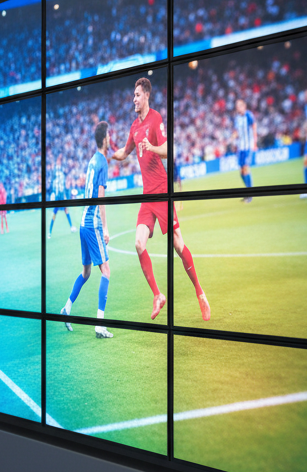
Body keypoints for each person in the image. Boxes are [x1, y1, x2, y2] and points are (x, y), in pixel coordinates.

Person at [111, 76, 210, 321]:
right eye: (133, 95)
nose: (133, 99)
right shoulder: (134, 127)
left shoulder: (156, 119)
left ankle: (200, 292)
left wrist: (151, 147)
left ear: (146, 95)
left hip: (162, 190)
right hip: (147, 195)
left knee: (178, 244)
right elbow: (125, 153)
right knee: (138, 243)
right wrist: (108, 154)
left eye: (136, 95)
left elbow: (167, 150)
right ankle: (157, 295)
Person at [60, 122, 113, 338]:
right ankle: (99, 325)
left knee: (87, 271)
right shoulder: (102, 162)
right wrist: (106, 227)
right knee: (106, 271)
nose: (110, 138)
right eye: (109, 135)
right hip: (92, 223)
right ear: (104, 139)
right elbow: (100, 196)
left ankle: (67, 309)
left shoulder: (92, 161)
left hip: (83, 221)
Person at [233, 97, 257, 202]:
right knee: (242, 172)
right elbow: (236, 132)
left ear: (244, 106)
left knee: (246, 168)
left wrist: (255, 143)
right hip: (241, 147)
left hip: (248, 146)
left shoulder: (249, 115)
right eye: (237, 106)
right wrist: (232, 138)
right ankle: (248, 192)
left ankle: (250, 195)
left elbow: (254, 128)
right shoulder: (237, 118)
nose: (238, 108)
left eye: (239, 106)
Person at [48, 161, 75, 237]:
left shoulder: (57, 177)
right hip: (58, 197)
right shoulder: (58, 176)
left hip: (60, 196)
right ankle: (50, 231)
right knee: (56, 213)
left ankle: (50, 232)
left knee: (61, 211)